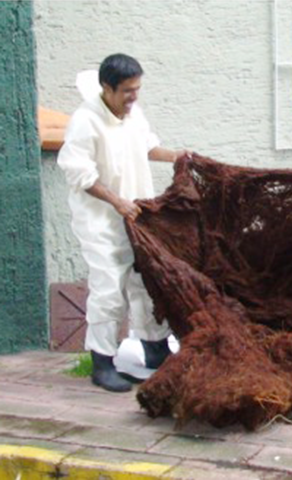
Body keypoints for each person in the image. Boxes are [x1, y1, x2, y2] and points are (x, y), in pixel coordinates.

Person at [58, 53, 191, 391]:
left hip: (138, 217)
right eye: (128, 91)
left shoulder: (134, 114)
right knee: (108, 290)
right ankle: (102, 363)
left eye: (138, 89)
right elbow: (80, 174)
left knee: (147, 285)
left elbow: (148, 148)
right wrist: (117, 202)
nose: (134, 97)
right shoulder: (85, 121)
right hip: (102, 222)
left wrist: (180, 156)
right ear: (107, 87)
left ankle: (155, 350)